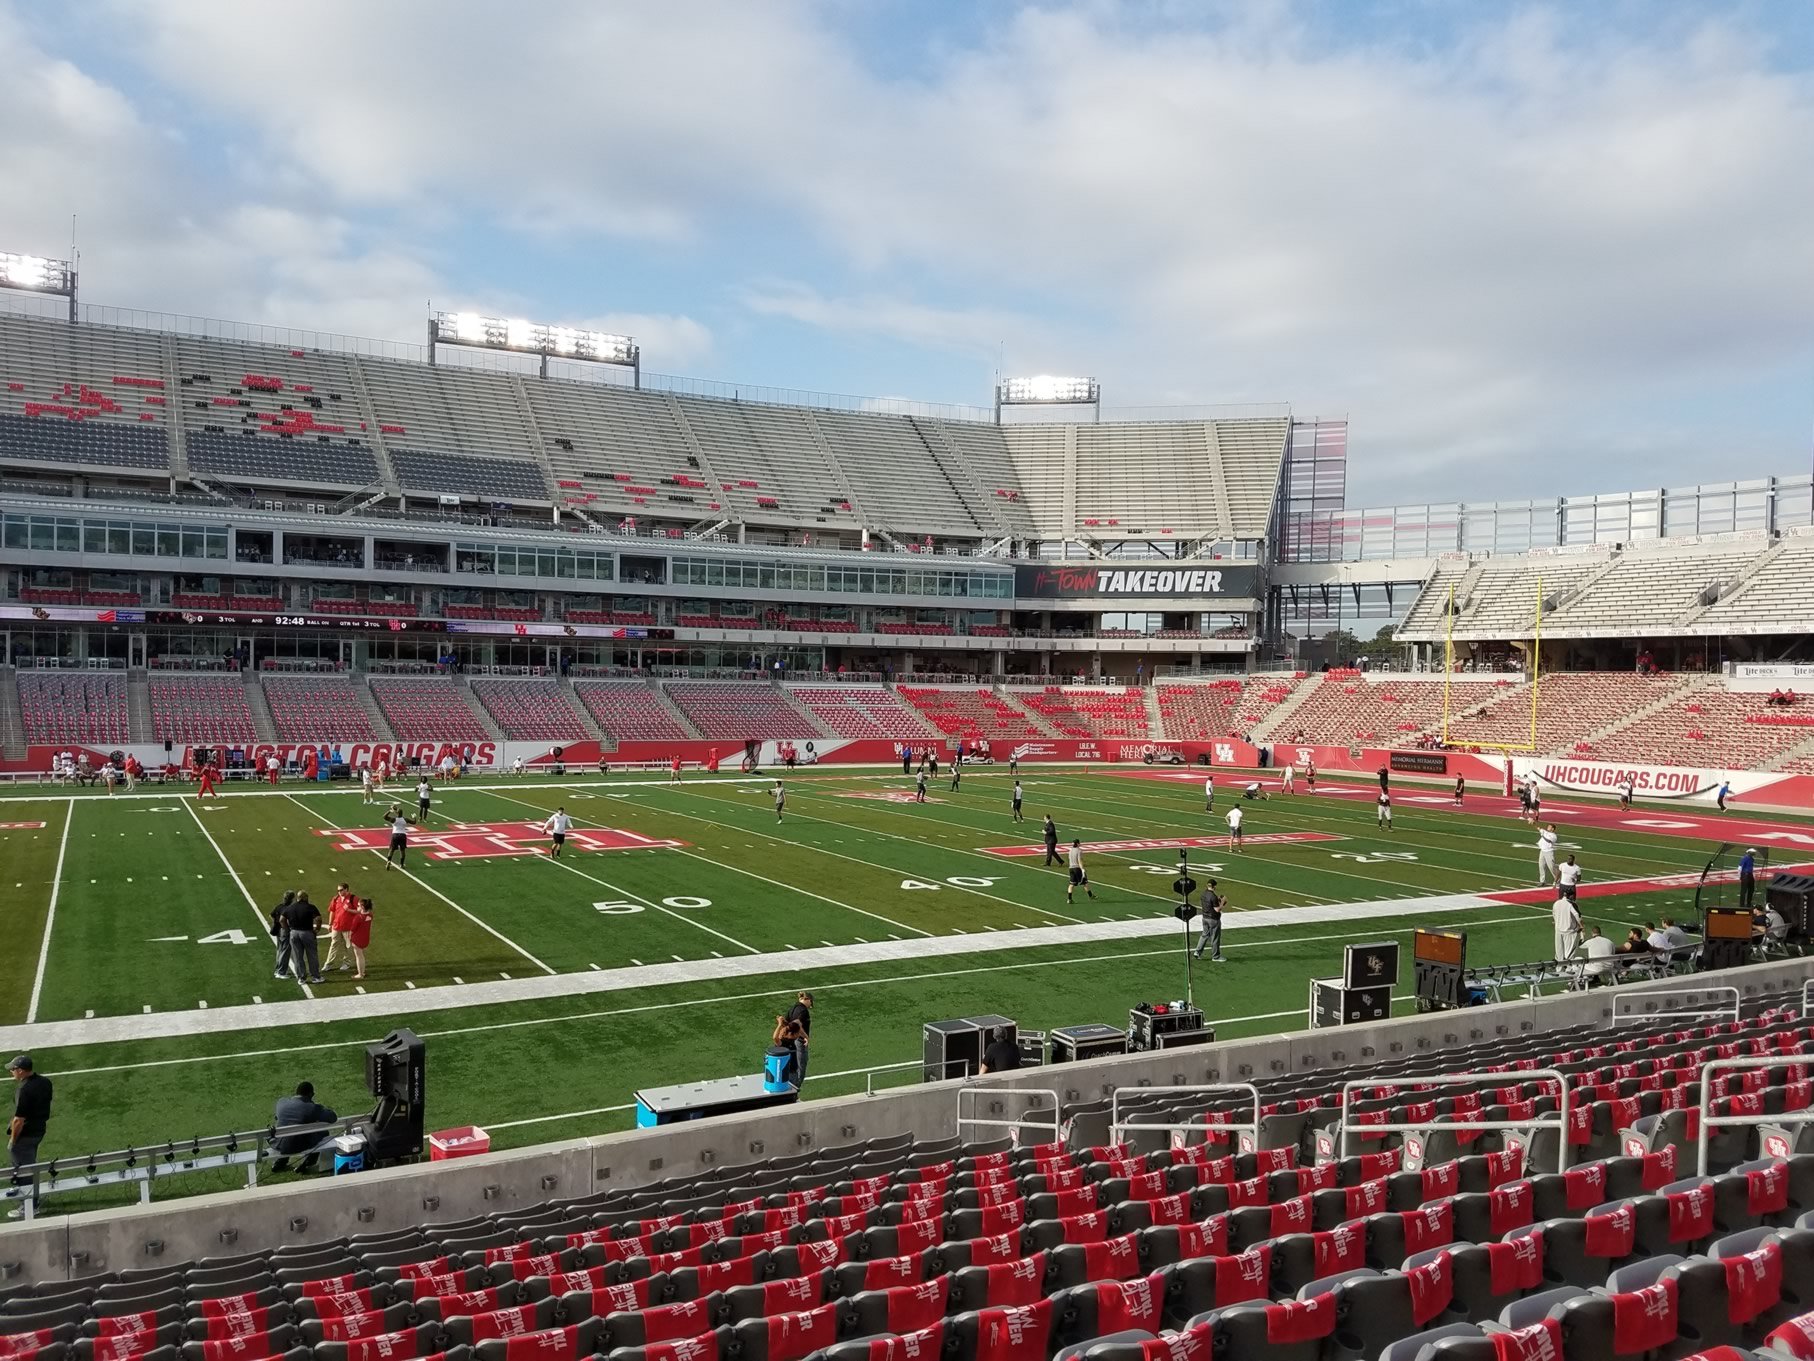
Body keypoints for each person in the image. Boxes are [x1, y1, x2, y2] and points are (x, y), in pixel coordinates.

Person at [7, 1055, 52, 1219]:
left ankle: (29, 1206)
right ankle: (30, 1199)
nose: (11, 1072)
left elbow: (19, 1120)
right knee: (29, 1163)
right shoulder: (45, 1082)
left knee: (23, 1169)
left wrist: (13, 1139)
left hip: (26, 1134)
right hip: (39, 1130)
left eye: (13, 1069)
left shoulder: (24, 1089)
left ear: (20, 1071)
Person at [270, 1081, 337, 1174]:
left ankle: (281, 1161)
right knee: (323, 1132)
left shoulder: (282, 1103)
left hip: (279, 1145)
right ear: (310, 1094)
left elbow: (277, 1117)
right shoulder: (312, 1108)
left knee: (290, 1133)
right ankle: (308, 1162)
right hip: (300, 1145)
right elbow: (332, 1117)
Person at [283, 892, 323, 984]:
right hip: (307, 933)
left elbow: (282, 919)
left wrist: (287, 930)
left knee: (297, 956)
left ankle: (301, 978)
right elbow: (318, 919)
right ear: (305, 898)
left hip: (294, 933)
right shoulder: (310, 907)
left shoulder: (291, 907)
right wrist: (317, 929)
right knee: (312, 955)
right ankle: (315, 977)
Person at [322, 883, 358, 972]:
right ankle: (328, 964)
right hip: (336, 926)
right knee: (333, 945)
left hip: (348, 927)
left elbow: (359, 911)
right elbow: (332, 911)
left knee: (348, 947)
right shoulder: (336, 899)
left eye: (341, 890)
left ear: (346, 889)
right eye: (338, 890)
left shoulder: (353, 898)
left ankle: (346, 963)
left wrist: (349, 910)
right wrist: (330, 924)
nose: (339, 892)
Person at [1192, 879, 1225, 962]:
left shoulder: (1203, 894)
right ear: (1214, 886)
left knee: (1204, 935)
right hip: (1213, 919)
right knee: (1215, 938)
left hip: (1205, 918)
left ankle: (1197, 952)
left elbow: (1208, 903)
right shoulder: (1213, 896)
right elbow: (1217, 909)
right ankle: (1216, 956)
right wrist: (1222, 903)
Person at [784, 992, 812, 1083]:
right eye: (811, 1002)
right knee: (800, 1068)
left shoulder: (793, 1008)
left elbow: (785, 1022)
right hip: (800, 1041)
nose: (810, 1005)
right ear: (807, 999)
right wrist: (805, 1037)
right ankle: (795, 1090)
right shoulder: (803, 1011)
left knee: (793, 1066)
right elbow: (796, 1024)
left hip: (791, 1041)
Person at [269, 890, 297, 980]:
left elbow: (271, 915)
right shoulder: (289, 908)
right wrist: (287, 928)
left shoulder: (279, 906)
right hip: (285, 930)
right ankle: (281, 971)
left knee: (280, 950)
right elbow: (285, 920)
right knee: (285, 951)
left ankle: (278, 969)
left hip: (279, 930)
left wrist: (275, 922)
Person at [348, 898, 373, 980]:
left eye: (358, 906)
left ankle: (360, 974)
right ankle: (362, 972)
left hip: (357, 939)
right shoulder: (370, 915)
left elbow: (352, 930)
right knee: (361, 956)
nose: (357, 907)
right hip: (365, 938)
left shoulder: (358, 917)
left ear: (362, 907)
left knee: (358, 956)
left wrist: (349, 938)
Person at [1552, 894, 1582, 961]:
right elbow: (1577, 915)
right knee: (1569, 954)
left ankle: (1558, 969)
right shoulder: (1571, 904)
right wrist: (1581, 927)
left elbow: (1554, 915)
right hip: (1570, 932)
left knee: (1559, 953)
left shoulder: (1556, 903)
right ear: (1571, 896)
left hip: (1558, 930)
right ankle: (1568, 969)